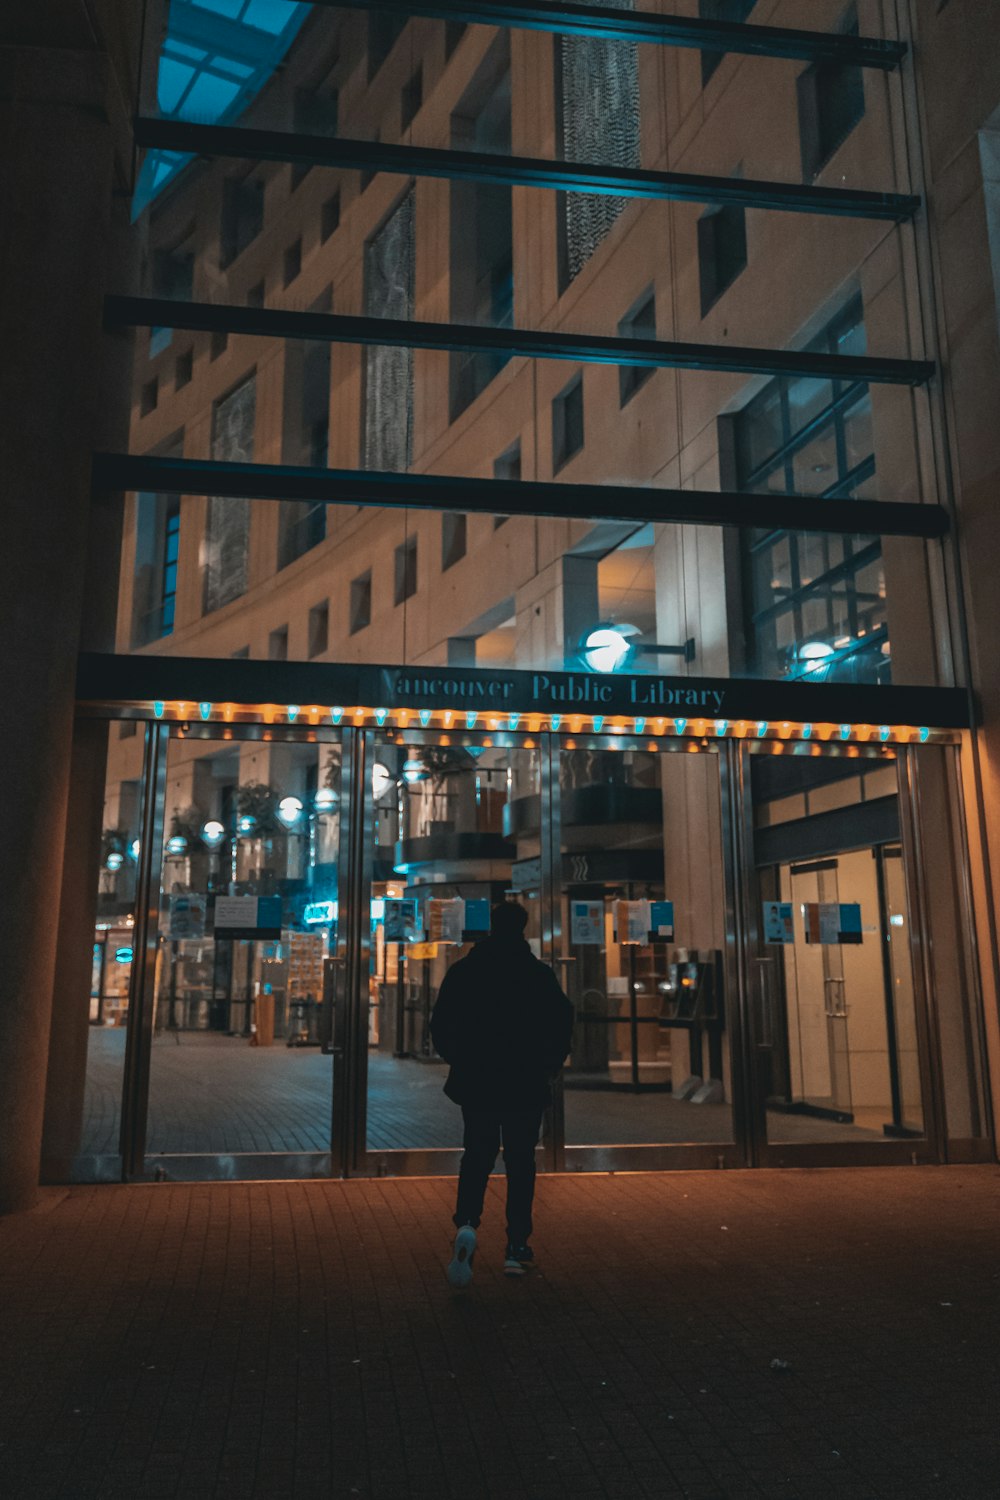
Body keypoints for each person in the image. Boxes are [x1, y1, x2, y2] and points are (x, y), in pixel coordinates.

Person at [430, 901, 573, 1287]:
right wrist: (548, 1065)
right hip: (524, 1083)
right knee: (521, 1162)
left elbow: (440, 1024)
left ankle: (466, 1224)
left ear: (490, 927)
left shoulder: (465, 972)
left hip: (478, 1082)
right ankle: (516, 1247)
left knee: (476, 1156)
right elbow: (562, 1022)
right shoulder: (537, 975)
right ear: (523, 928)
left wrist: (460, 1059)